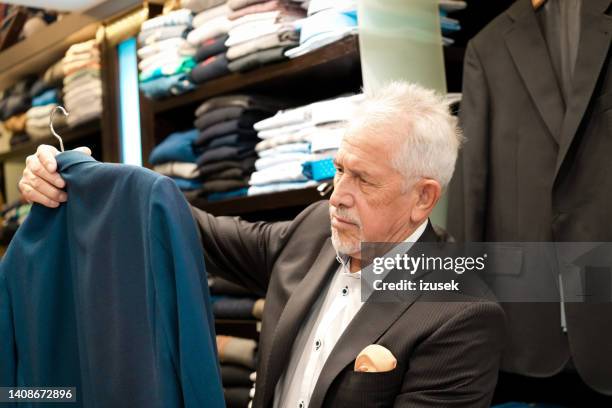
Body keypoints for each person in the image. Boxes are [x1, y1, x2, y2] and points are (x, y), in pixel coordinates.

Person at [19, 81, 506, 408]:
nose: (339, 196)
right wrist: (86, 178)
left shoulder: (460, 313)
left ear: (423, 198)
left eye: (363, 180)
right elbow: (197, 230)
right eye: (338, 170)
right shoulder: (316, 229)